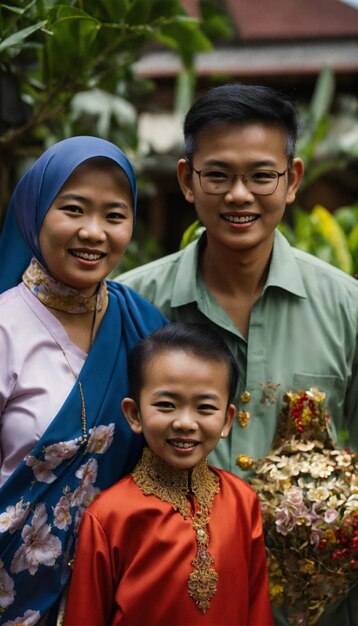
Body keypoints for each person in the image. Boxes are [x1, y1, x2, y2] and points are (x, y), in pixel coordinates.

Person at [116, 83, 358, 626]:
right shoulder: (131, 307)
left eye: (261, 175)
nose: (239, 195)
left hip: (315, 609)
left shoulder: (349, 308)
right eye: (218, 175)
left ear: (292, 180)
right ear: (187, 180)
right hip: (174, 605)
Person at [0, 136, 167, 625]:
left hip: (111, 590)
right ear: (34, 212)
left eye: (114, 216)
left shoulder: (142, 324)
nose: (94, 232)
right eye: (73, 210)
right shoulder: (6, 328)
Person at [63, 321, 274, 626]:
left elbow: (257, 611)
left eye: (204, 408)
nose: (185, 422)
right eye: (166, 405)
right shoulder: (109, 516)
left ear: (228, 419)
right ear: (134, 414)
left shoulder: (243, 500)